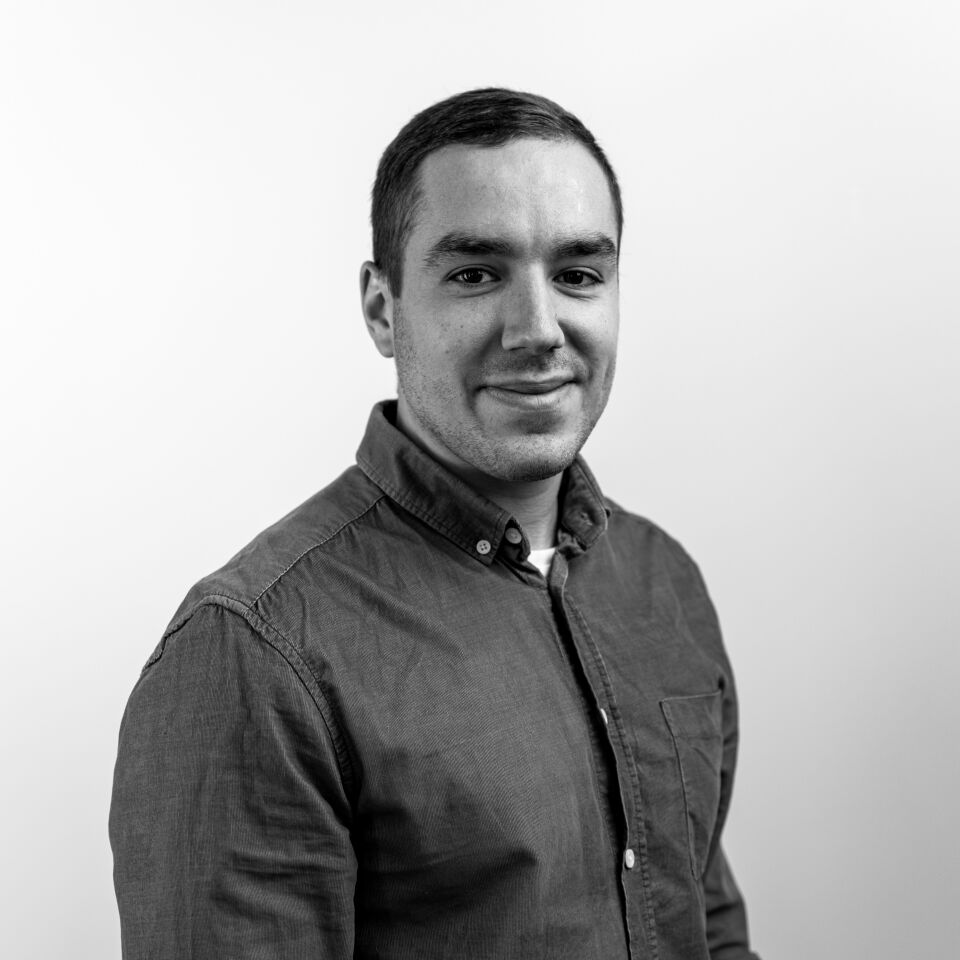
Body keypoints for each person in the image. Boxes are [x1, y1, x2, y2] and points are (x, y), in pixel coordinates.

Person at [110, 88, 761, 960]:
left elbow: (706, 929)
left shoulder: (661, 580)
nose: (538, 330)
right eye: (476, 274)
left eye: (578, 274)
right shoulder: (252, 654)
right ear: (383, 311)